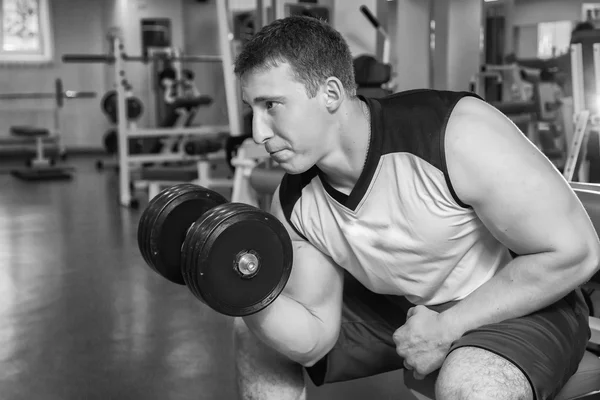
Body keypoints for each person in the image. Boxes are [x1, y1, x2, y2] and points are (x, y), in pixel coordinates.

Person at [232, 16, 600, 400]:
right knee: (255, 332)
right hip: (408, 307)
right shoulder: (294, 201)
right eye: (252, 110)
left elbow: (576, 253)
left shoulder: (454, 133)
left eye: (271, 105)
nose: (258, 133)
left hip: (518, 298)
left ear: (330, 93)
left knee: (471, 387)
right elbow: (315, 336)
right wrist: (239, 291)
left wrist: (447, 327)